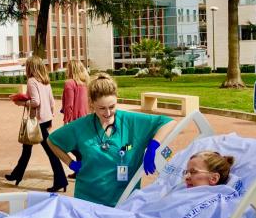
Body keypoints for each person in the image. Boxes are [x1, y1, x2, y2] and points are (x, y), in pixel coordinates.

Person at [48, 73, 176, 206]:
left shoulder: (131, 121)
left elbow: (169, 122)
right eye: (102, 108)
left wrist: (153, 146)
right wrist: (70, 163)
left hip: (124, 201)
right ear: (91, 104)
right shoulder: (80, 126)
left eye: (112, 107)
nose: (108, 113)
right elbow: (52, 141)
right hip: (88, 199)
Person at [5, 55, 67, 191]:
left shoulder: (32, 81)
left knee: (50, 152)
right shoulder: (45, 81)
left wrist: (21, 102)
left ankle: (61, 180)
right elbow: (51, 102)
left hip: (37, 121)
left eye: (27, 65)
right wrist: (50, 118)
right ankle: (17, 174)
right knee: (27, 150)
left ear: (30, 67)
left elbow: (36, 102)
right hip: (45, 119)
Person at [61, 60, 90, 179]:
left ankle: (81, 167)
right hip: (85, 118)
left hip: (74, 119)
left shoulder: (69, 83)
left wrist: (67, 121)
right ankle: (80, 171)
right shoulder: (85, 84)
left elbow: (69, 105)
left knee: (67, 145)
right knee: (78, 146)